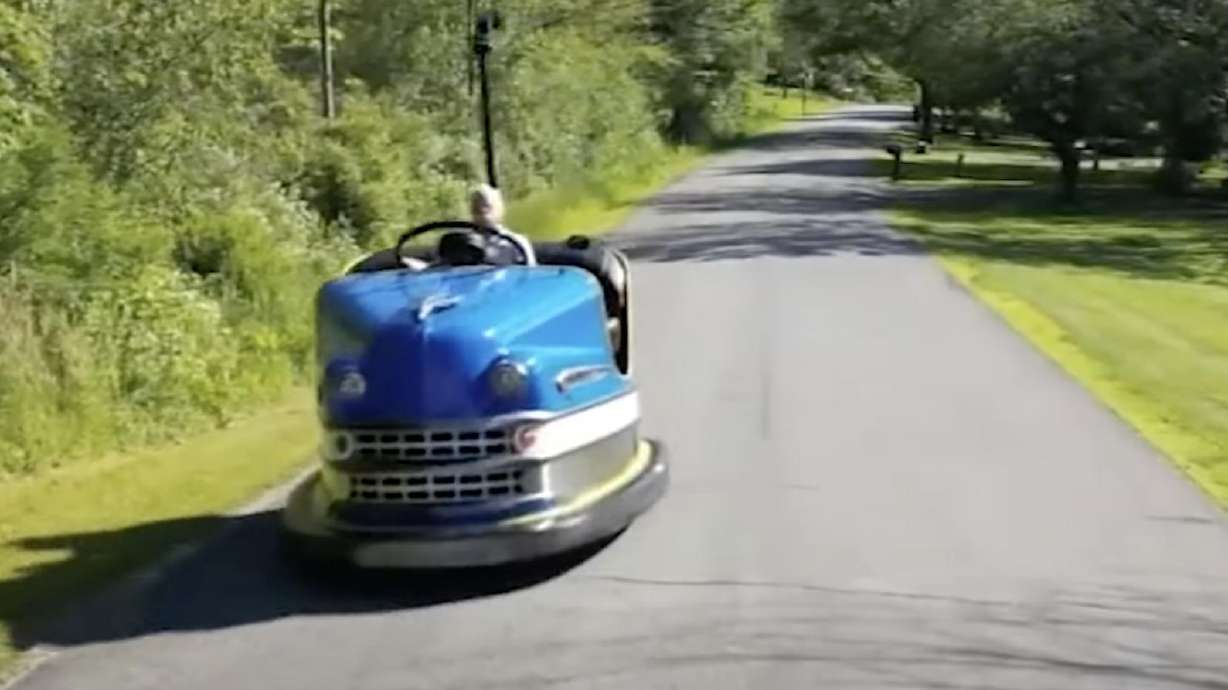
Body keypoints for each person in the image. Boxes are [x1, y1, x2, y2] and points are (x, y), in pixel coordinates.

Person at [469, 184, 536, 265]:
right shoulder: (464, 243)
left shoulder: (516, 243)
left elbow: (530, 273)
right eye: (476, 210)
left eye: (487, 208)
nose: (482, 215)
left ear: (499, 209)